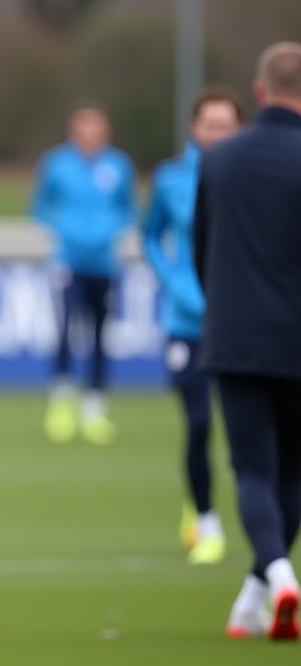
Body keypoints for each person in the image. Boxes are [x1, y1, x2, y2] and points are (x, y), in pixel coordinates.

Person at [194, 42, 301, 641]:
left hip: (235, 337)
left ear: (259, 92)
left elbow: (202, 250)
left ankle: (269, 582)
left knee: (253, 469)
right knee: (293, 471)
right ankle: (271, 581)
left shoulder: (219, 159)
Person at [143, 88, 243, 565]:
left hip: (242, 321)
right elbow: (151, 234)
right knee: (200, 422)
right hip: (187, 320)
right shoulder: (172, 180)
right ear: (194, 128)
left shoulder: (252, 174)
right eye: (210, 124)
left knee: (245, 430)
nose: (217, 133)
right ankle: (205, 519)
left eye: (227, 125)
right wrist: (174, 284)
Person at [30, 104, 136, 445]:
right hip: (67, 261)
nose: (90, 134)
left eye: (96, 128)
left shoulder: (118, 166)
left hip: (105, 262)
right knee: (65, 329)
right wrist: (66, 228)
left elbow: (128, 209)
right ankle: (62, 400)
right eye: (84, 128)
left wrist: (109, 230)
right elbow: (40, 206)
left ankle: (95, 406)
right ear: (74, 131)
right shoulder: (57, 164)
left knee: (100, 333)